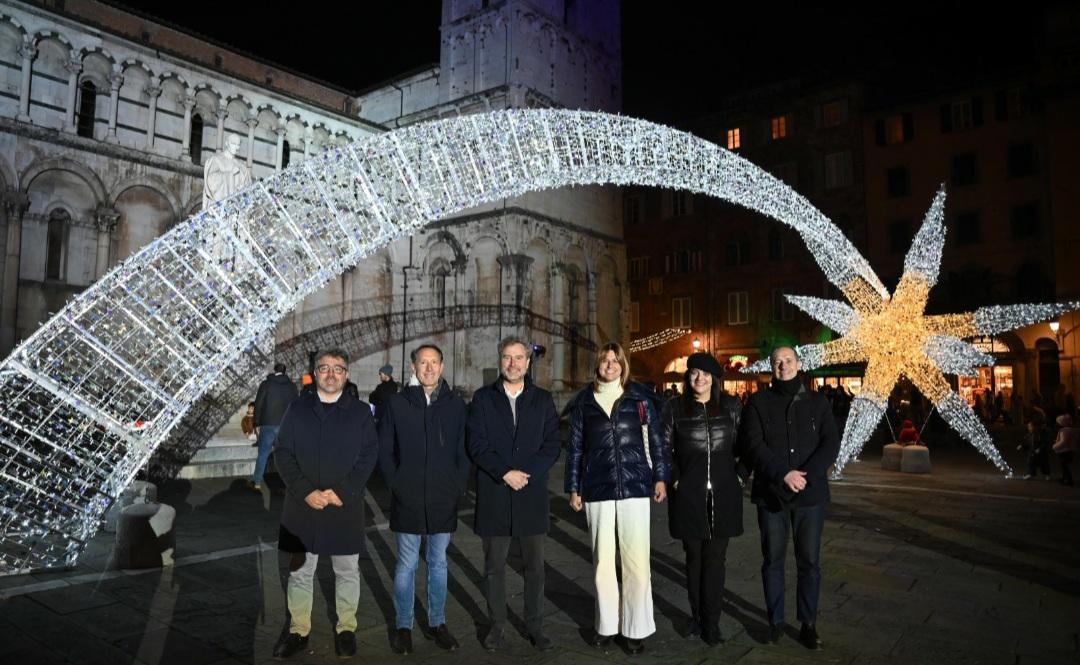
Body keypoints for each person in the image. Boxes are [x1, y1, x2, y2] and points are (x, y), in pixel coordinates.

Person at [271, 349, 378, 660]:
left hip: (344, 504)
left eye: (338, 369)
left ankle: (346, 629)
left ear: (346, 374)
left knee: (347, 570)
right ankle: (298, 631)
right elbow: (283, 453)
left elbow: (369, 455)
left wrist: (342, 491)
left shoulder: (359, 412)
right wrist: (306, 491)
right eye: (325, 368)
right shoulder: (297, 409)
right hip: (302, 505)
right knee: (301, 571)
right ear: (315, 373)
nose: (331, 374)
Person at [564, 342, 669, 654]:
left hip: (635, 486)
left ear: (624, 365)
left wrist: (660, 476)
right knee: (602, 563)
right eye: (605, 361)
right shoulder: (584, 402)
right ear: (598, 365)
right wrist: (574, 487)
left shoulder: (639, 398)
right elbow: (576, 448)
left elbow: (656, 441)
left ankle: (635, 628)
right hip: (597, 487)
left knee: (637, 562)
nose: (610, 365)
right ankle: (607, 625)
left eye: (615, 360)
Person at [740, 346, 839, 650]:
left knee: (809, 561)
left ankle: (808, 623)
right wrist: (783, 474)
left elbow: (830, 443)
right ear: (772, 367)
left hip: (810, 496)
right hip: (772, 495)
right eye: (777, 362)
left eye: (787, 361)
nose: (782, 366)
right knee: (773, 560)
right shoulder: (758, 402)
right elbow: (753, 445)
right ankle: (775, 621)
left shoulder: (818, 402)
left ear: (798, 364)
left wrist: (803, 475)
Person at [467, 337, 561, 652]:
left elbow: (552, 444)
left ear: (528, 362)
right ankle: (497, 626)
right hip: (495, 492)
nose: (513, 363)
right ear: (501, 360)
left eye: (519, 358)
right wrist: (504, 472)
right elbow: (476, 444)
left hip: (531, 494)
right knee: (494, 567)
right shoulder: (482, 399)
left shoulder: (543, 400)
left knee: (535, 569)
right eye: (507, 357)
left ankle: (535, 626)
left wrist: (526, 474)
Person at [378, 343, 469, 654]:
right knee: (405, 564)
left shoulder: (456, 405)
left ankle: (437, 622)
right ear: (413, 367)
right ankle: (404, 625)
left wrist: (458, 485)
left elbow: (463, 450)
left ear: (442, 367)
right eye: (423, 363)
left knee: (439, 563)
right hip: (409, 495)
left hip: (444, 496)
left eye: (434, 363)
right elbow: (385, 448)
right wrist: (396, 483)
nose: (429, 368)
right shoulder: (398, 404)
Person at [661, 352, 744, 646]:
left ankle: (712, 622)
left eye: (705, 374)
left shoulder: (731, 407)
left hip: (723, 494)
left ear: (714, 378)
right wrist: (674, 478)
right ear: (688, 377)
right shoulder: (674, 409)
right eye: (694, 373)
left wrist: (739, 477)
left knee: (715, 561)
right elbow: (663, 448)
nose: (699, 379)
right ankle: (696, 617)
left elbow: (746, 447)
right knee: (694, 559)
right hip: (689, 495)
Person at [249, 362, 297, 491]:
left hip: (268, 424)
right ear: (285, 371)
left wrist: (257, 423)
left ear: (275, 370)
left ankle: (257, 481)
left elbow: (258, 404)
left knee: (263, 453)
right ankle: (289, 482)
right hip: (286, 425)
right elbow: (296, 406)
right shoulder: (292, 386)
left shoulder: (266, 384)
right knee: (285, 455)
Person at [202, 133, 251, 209]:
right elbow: (210, 182)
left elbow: (248, 189)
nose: (236, 148)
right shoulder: (215, 160)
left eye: (238, 145)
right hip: (219, 207)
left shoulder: (242, 167)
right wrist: (230, 174)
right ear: (226, 143)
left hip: (236, 209)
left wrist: (243, 189)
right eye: (233, 144)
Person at [1052, 414, 1078, 486]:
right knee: (1065, 465)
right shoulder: (1074, 430)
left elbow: (1063, 442)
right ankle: (1064, 478)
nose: (1057, 424)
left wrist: (1055, 446)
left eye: (1058, 422)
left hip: (1064, 451)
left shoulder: (1064, 431)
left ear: (1062, 423)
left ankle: (1069, 480)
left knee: (1064, 466)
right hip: (1071, 450)